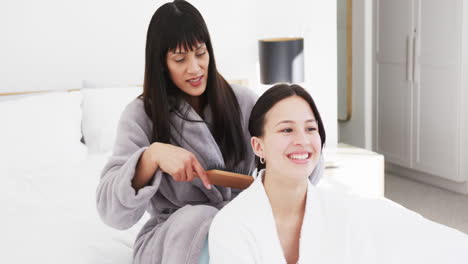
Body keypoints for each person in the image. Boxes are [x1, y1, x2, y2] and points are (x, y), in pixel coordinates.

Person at [96, 1, 324, 263]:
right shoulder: (140, 116)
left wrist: (298, 146)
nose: (194, 68)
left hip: (242, 224)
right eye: (180, 59)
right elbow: (110, 212)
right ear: (161, 63)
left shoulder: (243, 102)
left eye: (200, 53)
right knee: (199, 219)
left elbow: (304, 174)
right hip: (177, 239)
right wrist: (151, 157)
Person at [208, 84, 468, 264]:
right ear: (258, 145)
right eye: (286, 130)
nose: (302, 140)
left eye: (311, 129)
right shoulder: (231, 225)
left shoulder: (345, 214)